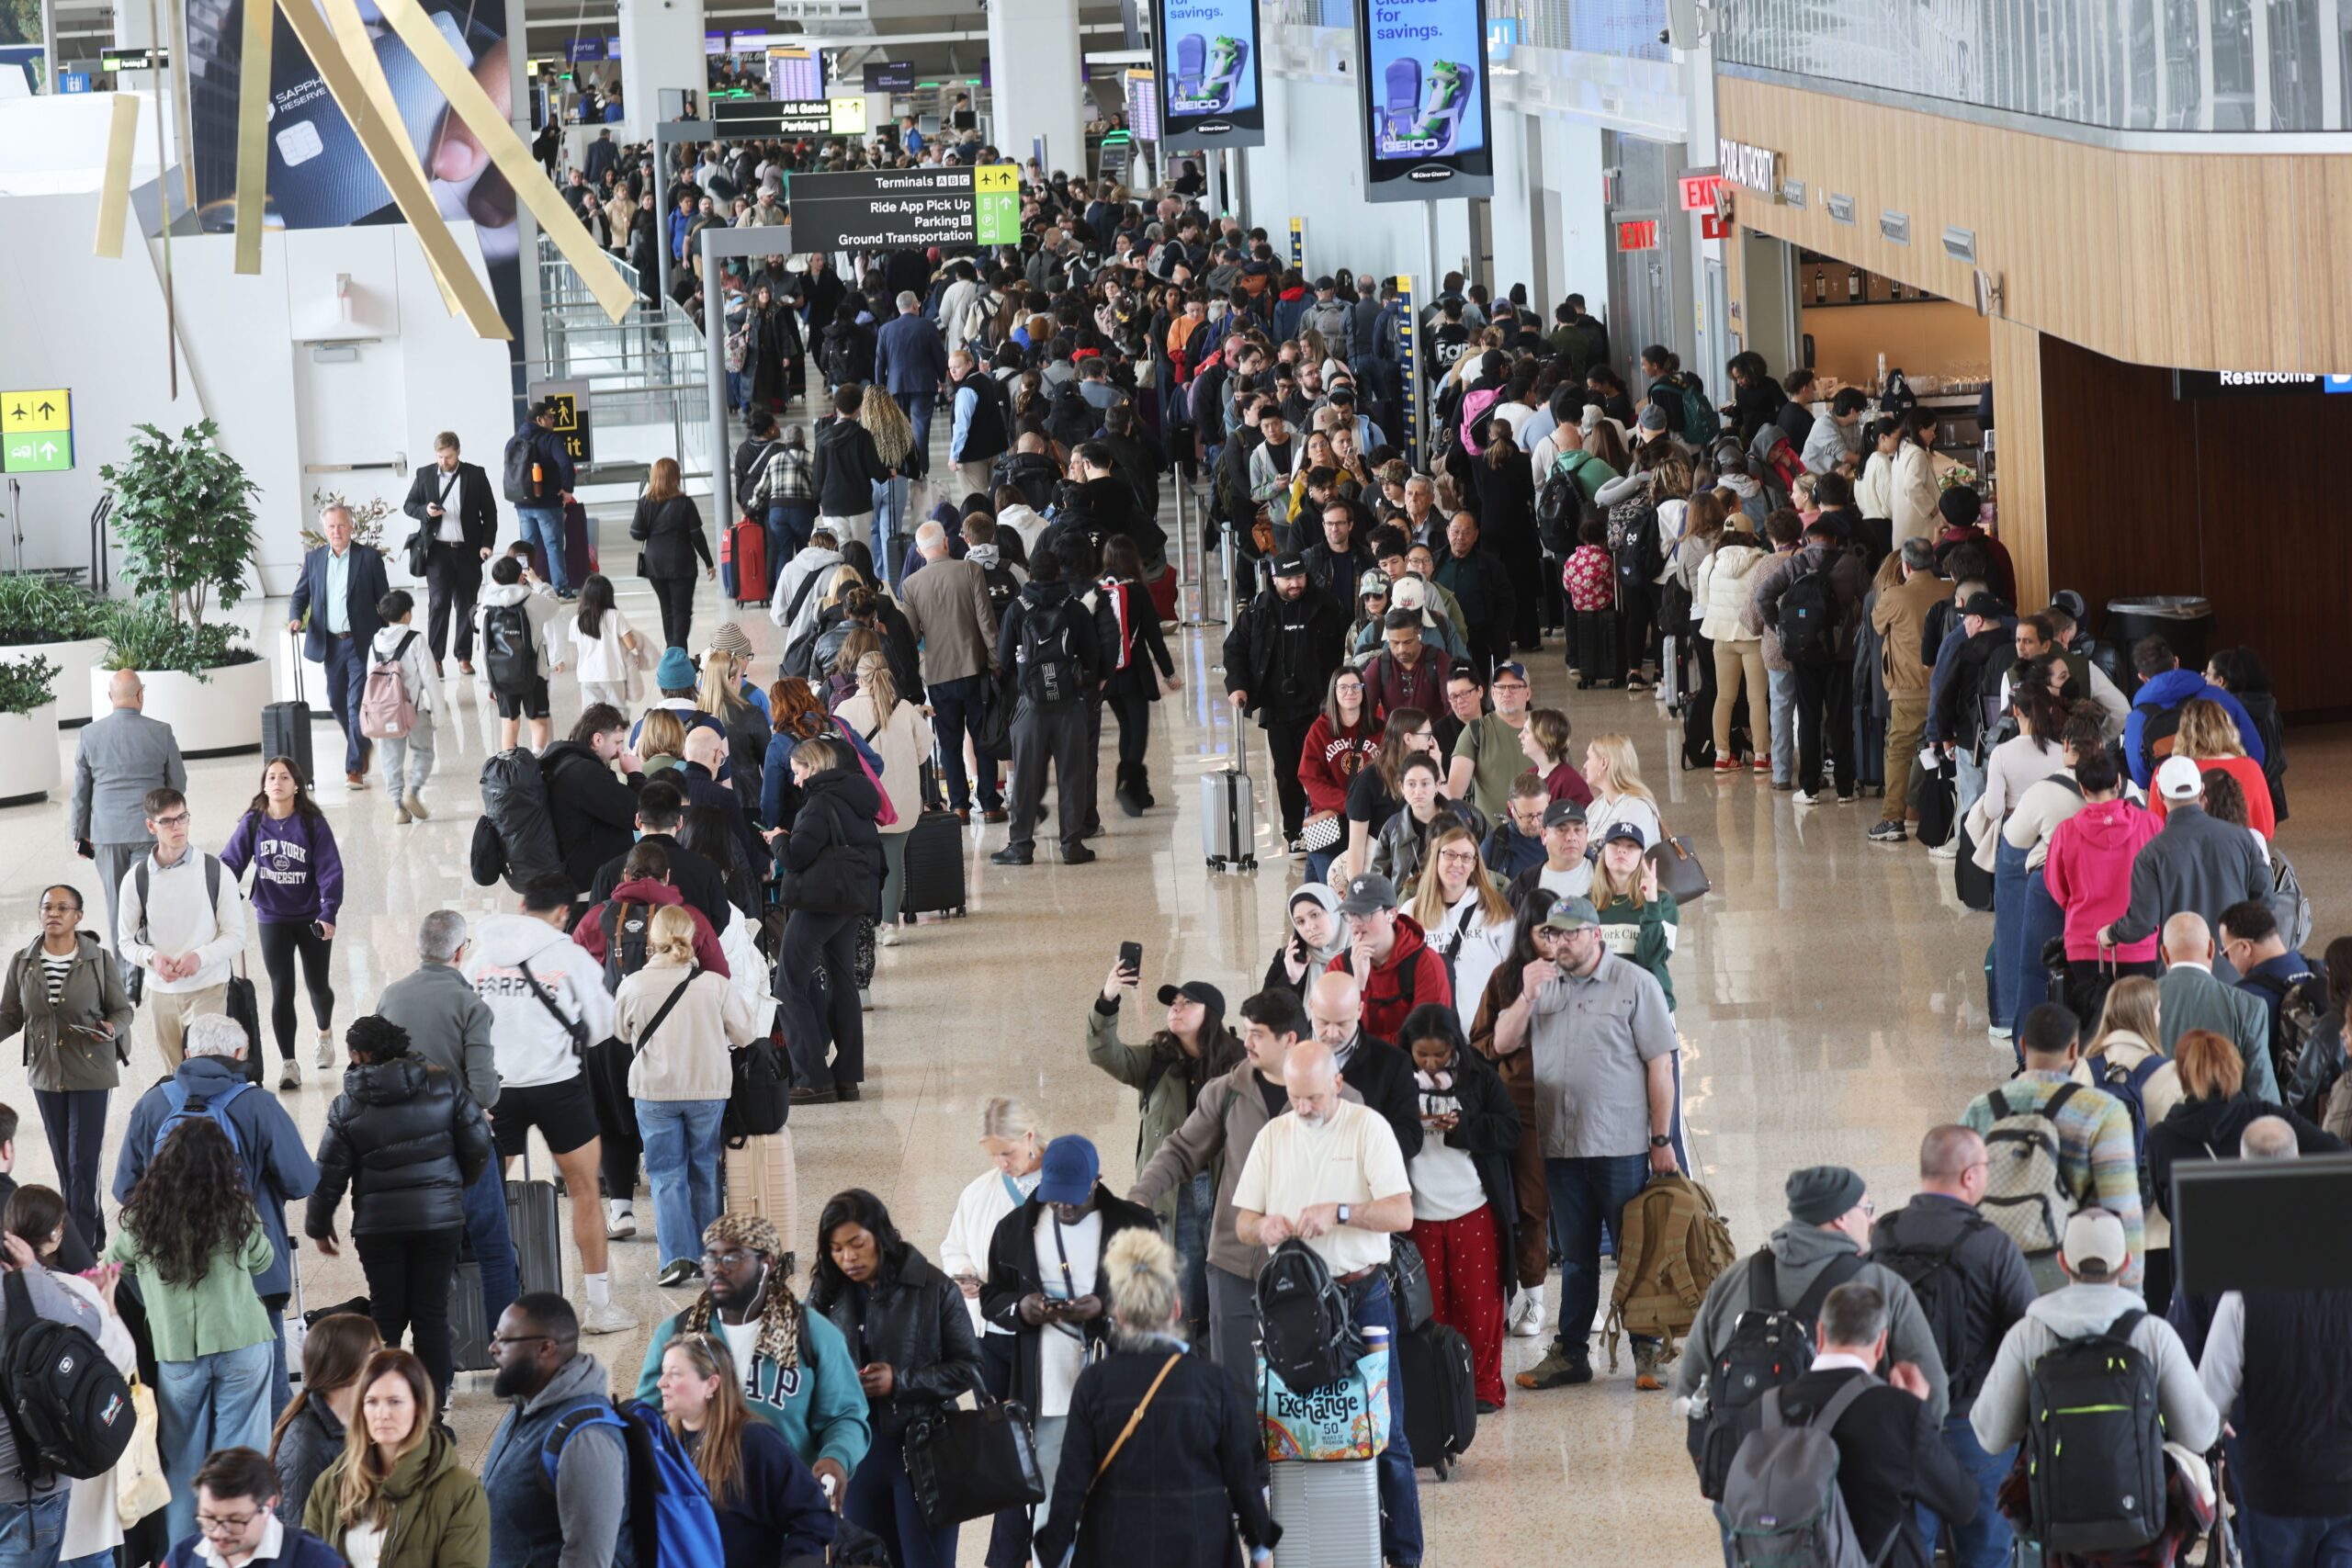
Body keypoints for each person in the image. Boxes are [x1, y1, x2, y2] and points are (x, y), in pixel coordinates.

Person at [1230, 1040, 1422, 1567]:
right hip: (1293, 1306)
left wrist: (1340, 1212)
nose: (1305, 1108)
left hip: (1360, 1295)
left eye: (1314, 1097)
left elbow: (1401, 1214)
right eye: (1295, 1098)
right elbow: (1243, 1221)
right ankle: (1311, 1549)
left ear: (1337, 1083)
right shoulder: (1274, 1136)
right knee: (1292, 1427)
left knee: (1385, 1429)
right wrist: (1262, 1225)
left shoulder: (1368, 1128)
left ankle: (1405, 1556)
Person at [1496, 897, 1683, 1391]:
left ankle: (1647, 1349)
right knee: (1576, 1257)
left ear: (1596, 934)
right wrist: (1525, 998)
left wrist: (1661, 1139)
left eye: (1571, 933)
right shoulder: (1539, 984)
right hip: (1560, 1146)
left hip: (1620, 1146)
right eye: (1554, 934)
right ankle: (1572, 1353)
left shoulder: (1635, 984)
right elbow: (1501, 1042)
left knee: (1635, 1251)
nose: (1561, 942)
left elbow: (1660, 1067)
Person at [1030, 1227, 1280, 1568]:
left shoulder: (1094, 1385)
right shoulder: (1212, 1383)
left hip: (1113, 1547)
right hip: (1200, 1546)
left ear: (1118, 1315)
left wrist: (1052, 1551)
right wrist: (1261, 1548)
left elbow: (1071, 1484)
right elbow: (1241, 1479)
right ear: (1176, 1308)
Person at [461, 875, 634, 1337]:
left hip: (495, 1091)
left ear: (521, 905)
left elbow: (464, 1017)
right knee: (584, 1190)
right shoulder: (568, 955)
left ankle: (485, 1311)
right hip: (559, 1086)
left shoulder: (481, 955)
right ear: (564, 913)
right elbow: (602, 1027)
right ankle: (599, 1307)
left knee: (485, 1194)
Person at [106, 1115, 281, 1543]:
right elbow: (263, 1260)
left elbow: (112, 1263)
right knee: (240, 1461)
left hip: (177, 1353)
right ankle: (240, 1551)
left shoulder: (143, 1217)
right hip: (242, 1342)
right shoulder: (236, 1208)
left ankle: (186, 1554)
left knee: (183, 1465)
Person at [1868, 1127, 2037, 1568]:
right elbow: (2029, 1337)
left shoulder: (1883, 1238)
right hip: (1977, 1426)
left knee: (1907, 1552)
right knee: (1986, 1552)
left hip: (1900, 1420)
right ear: (1968, 1177)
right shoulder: (1992, 1246)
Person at [304, 1014, 492, 1409]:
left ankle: (380, 1402)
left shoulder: (348, 1104)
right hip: (439, 1221)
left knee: (386, 1314)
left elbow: (330, 1172)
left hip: (378, 1227)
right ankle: (432, 1405)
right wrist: (455, 1186)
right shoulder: (441, 1081)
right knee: (431, 1313)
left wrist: (319, 1223)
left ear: (361, 1054)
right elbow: (478, 1142)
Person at [980, 1135, 1157, 1533]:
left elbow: (1160, 1299)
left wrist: (1106, 1306)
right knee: (1053, 1504)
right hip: (1050, 1392)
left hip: (1121, 1389)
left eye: (1073, 1198)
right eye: (1054, 1197)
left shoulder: (1136, 1226)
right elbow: (993, 1296)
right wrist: (1022, 1309)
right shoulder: (1014, 1230)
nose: (1062, 1207)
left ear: (1097, 1181)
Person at [1970, 1207, 2219, 1483]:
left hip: (2054, 1516)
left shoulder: (2027, 1335)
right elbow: (2199, 1434)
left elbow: (1991, 1436)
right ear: (2126, 1263)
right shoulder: (2154, 1335)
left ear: (2063, 1263)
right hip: (2138, 1515)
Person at [636, 1211, 871, 1495]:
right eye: (710, 1257)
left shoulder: (813, 1334)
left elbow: (845, 1416)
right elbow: (645, 1417)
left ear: (766, 1264)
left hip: (783, 1502)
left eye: (733, 1258)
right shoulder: (678, 1333)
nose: (718, 1268)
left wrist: (836, 1458)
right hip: (697, 1505)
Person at [808, 1190, 983, 1568]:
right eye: (836, 1249)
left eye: (857, 1244)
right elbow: (806, 1362)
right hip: (859, 1451)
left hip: (924, 1450)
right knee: (867, 1560)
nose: (848, 1258)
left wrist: (899, 1381)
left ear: (881, 1237)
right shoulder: (828, 1292)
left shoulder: (934, 1288)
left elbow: (970, 1367)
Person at [1759, 1281, 1979, 1568]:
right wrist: (1918, 1412)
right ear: (1880, 1343)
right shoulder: (1900, 1413)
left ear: (1821, 1334)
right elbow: (1963, 1503)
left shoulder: (1762, 1411)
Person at [373, 911, 514, 1333]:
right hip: (461, 1145)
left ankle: (441, 1369)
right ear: (460, 951)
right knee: (493, 1247)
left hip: (404, 1150)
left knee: (429, 1255)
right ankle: (507, 1351)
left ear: (420, 949)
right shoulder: (471, 1004)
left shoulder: (389, 997)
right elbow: (486, 1092)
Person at [1959, 1002, 2146, 1292]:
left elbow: (1960, 1197)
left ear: (2022, 1044)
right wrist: (2132, 1291)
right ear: (2075, 1051)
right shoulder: (2102, 1111)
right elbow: (2121, 1205)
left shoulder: (1981, 1110)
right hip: (2071, 1273)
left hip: (1991, 1269)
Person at [616, 906, 755, 1286]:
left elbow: (617, 1032)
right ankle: (714, 1259)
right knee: (706, 1168)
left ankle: (676, 1259)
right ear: (692, 937)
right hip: (708, 1089)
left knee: (665, 1174)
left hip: (654, 1092)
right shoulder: (714, 985)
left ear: (652, 939)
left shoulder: (632, 985)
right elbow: (745, 1034)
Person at [1396, 1005, 1520, 1413]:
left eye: (1441, 1054)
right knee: (1431, 1307)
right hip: (1418, 1212)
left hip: (1474, 1206)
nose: (1431, 1064)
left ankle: (1483, 1388)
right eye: (1422, 1055)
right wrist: (1411, 1124)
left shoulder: (1480, 1075)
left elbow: (1510, 1129)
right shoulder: (1396, 1083)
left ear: (1455, 1047)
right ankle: (1439, 1391)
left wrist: (1462, 1126)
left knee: (1479, 1304)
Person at [2, 1182, 130, 1568]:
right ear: (56, 1234)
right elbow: (117, 1356)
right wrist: (106, 1301)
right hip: (36, 1480)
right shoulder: (68, 1294)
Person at [0, 885, 131, 1252]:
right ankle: (91, 1233)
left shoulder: (98, 959)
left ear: (79, 915)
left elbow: (123, 1010)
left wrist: (111, 1028)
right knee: (65, 1162)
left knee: (83, 1162)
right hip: (46, 1073)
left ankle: (82, 1247)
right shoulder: (22, 961)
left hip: (92, 1070)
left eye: (62, 907)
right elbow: (10, 1015)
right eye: (47, 907)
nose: (53, 913)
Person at [654, 1333, 839, 1566]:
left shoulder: (754, 1440)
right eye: (663, 1372)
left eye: (675, 1373)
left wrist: (799, 1560)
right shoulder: (661, 1443)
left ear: (711, 1384)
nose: (662, 1382)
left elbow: (813, 1514)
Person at [300, 1348, 489, 1568]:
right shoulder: (331, 1483)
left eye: (395, 1402)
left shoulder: (462, 1490)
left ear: (418, 1406)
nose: (382, 1414)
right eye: (372, 1402)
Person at [220, 758, 344, 1089]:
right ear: (264, 785)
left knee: (318, 986)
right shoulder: (254, 821)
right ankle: (289, 1063)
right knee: (281, 989)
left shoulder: (313, 822)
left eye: (284, 776)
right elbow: (230, 862)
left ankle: (324, 1032)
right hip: (272, 915)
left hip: (311, 916)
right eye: (271, 777)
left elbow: (331, 870)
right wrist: (218, 894)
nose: (277, 782)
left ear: (296, 784)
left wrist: (328, 912)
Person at [772, 738, 884, 1104]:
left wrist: (777, 840)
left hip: (819, 901)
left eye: (798, 770)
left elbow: (797, 857)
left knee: (788, 985)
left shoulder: (819, 803)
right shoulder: (857, 795)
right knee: (842, 980)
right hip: (851, 897)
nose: (795, 780)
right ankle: (847, 1076)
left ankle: (813, 1077)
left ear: (814, 767)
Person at [481, 1293, 629, 1568]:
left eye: (503, 1340)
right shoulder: (526, 1408)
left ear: (546, 1348)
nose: (492, 1348)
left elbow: (588, 1559)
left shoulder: (588, 1439)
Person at [2144, 1029, 2345, 1232]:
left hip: (2193, 1259)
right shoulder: (2271, 1118)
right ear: (2235, 1067)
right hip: (2267, 1253)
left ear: (2182, 1076)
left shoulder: (2160, 1140)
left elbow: (2168, 1211)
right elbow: (2340, 1155)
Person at [2071, 980, 2185, 1311]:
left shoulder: (2083, 1070)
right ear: (2150, 1015)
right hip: (2155, 1230)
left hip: (2096, 1225)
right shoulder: (2171, 1075)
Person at [1223, 552, 1350, 851]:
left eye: (1300, 577)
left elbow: (1344, 652)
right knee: (1287, 773)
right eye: (1288, 579)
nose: (1295, 584)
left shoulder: (1327, 607)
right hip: (1277, 708)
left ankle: (1326, 830)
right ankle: (1295, 834)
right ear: (1274, 579)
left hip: (1319, 708)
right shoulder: (1258, 610)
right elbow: (1234, 648)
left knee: (1321, 771)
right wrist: (1237, 685)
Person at [70, 670, 188, 988]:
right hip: (150, 832)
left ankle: (126, 978)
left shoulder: (89, 735)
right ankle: (154, 969)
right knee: (150, 901)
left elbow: (81, 791)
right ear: (140, 695)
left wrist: (78, 834)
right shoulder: (161, 732)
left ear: (111, 698)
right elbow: (178, 784)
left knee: (117, 906)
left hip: (106, 836)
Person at [991, 539, 1103, 868]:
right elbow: (1093, 657)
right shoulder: (1075, 608)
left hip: (1031, 706)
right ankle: (1072, 845)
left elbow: (1003, 660)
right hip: (1069, 704)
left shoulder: (1016, 608)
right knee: (1073, 775)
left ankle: (1021, 846)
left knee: (1025, 776)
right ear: (1058, 573)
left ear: (1030, 574)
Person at [117, 786, 249, 1065]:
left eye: (182, 817)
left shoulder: (215, 871)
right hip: (160, 992)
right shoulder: (136, 879)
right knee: (176, 1075)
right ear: (151, 825)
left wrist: (200, 957)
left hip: (209, 986)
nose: (177, 826)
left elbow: (236, 935)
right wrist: (152, 958)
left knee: (209, 1069)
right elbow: (126, 942)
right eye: (167, 821)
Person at [2098, 757, 2271, 964]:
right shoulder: (2242, 839)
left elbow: (2142, 922)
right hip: (2235, 967)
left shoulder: (2151, 855)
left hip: (2179, 973)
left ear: (2160, 794)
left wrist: (2111, 934)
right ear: (2201, 791)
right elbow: (2265, 899)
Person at [2041, 737, 2162, 1021]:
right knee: (2141, 1027)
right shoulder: (2151, 825)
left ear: (2082, 789)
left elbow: (2058, 889)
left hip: (2085, 944)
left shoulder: (2066, 832)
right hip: (2139, 943)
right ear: (2119, 783)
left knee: (2092, 1029)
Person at [899, 520, 1004, 824]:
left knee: (949, 741)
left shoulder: (912, 585)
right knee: (982, 735)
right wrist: (995, 663)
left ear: (920, 551)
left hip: (939, 675)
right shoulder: (970, 570)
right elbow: (987, 624)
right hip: (975, 669)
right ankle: (989, 804)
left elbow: (910, 634)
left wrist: (923, 662)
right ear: (946, 543)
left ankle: (958, 806)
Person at [287, 504, 392, 787]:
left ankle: (353, 768)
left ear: (351, 527)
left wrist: (391, 633)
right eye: (331, 527)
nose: (336, 531)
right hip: (330, 644)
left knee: (356, 702)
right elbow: (300, 595)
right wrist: (296, 618)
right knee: (336, 702)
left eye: (341, 526)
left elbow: (384, 599)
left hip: (360, 642)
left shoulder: (368, 558)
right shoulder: (315, 559)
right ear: (325, 530)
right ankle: (360, 743)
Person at [833, 652, 935, 942]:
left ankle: (863, 924)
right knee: (894, 861)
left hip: (860, 804)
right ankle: (889, 926)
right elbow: (924, 749)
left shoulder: (844, 711)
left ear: (859, 678)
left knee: (862, 864)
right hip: (900, 801)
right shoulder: (903, 708)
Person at [267, 1313, 383, 1527]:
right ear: (348, 1363)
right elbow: (306, 1538)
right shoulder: (307, 1443)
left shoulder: (355, 1418)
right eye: (374, 1353)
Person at [401, 431, 498, 675]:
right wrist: (426, 510)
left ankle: (463, 656)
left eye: (448, 457)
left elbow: (490, 513)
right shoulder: (424, 475)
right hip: (438, 552)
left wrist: (487, 544)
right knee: (439, 604)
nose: (443, 462)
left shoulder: (475, 475)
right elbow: (409, 505)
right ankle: (435, 659)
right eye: (440, 457)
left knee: (466, 604)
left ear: (458, 452)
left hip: (467, 551)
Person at [2157, 910, 2278, 1102]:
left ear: (2164, 953)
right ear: (2212, 948)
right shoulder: (2248, 1006)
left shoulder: (2138, 1002)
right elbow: (2263, 1094)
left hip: (2156, 1128)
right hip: (2227, 1129)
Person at [2122, 635, 2265, 790]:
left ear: (2142, 677)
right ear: (2176, 662)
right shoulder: (2218, 697)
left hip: (2174, 800)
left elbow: (2141, 778)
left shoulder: (2136, 718)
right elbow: (2256, 752)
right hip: (2223, 790)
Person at [163, 1447, 345, 1568]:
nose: (219, 1533)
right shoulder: (182, 1558)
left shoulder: (314, 1559)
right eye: (209, 1518)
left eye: (234, 1521)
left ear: (268, 1507)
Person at [1329, 873, 1454, 1048]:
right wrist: (1358, 985)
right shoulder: (1339, 967)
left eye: (1365, 913)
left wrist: (1364, 1045)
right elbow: (1335, 1039)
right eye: (1351, 914)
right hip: (1353, 1071)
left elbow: (1425, 1043)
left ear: (1392, 915)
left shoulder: (1426, 964)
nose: (1356, 923)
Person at [1408, 825, 1515, 1032]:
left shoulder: (1497, 912)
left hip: (1483, 1036)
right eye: (1450, 854)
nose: (1458, 863)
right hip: (1430, 1040)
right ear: (1436, 858)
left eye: (1467, 857)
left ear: (1475, 864)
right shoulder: (1411, 911)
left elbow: (1513, 977)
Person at [542, 706, 650, 897]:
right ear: (597, 739)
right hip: (589, 883)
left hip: (574, 869)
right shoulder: (585, 774)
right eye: (617, 742)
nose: (620, 751)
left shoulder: (565, 760)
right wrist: (635, 775)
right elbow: (637, 812)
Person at [472, 556, 567, 753]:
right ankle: (538, 759)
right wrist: (537, 582)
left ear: (495, 580)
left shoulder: (486, 605)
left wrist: (489, 681)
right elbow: (555, 605)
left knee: (509, 723)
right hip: (534, 671)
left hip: (501, 672)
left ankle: (511, 765)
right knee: (538, 721)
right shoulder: (532, 599)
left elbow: (483, 646)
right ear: (521, 577)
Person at [2149, 698, 2276, 839]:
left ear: (2182, 732)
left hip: (2184, 856)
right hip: (2240, 854)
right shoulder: (2251, 768)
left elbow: (2154, 830)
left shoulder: (2166, 771)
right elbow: (2266, 830)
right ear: (2227, 728)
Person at [367, 590, 440, 822]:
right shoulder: (415, 639)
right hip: (414, 710)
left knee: (390, 759)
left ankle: (398, 806)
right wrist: (438, 711)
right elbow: (430, 678)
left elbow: (370, 678)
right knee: (424, 751)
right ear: (407, 615)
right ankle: (414, 791)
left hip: (385, 713)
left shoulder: (375, 642)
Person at [630, 457, 716, 651]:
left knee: (667, 610)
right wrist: (709, 563)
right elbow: (697, 536)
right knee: (682, 611)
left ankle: (673, 653)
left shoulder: (645, 502)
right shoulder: (685, 503)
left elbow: (636, 533)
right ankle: (678, 654)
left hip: (654, 566)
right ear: (675, 477)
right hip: (682, 565)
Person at [508, 400, 580, 597]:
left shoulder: (513, 441)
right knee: (553, 545)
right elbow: (565, 463)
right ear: (539, 419)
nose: (553, 420)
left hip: (522, 504)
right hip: (547, 503)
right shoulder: (550, 439)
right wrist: (567, 489)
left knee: (525, 548)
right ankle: (560, 587)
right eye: (550, 416)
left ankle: (524, 585)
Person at [876, 290, 949, 462]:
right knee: (921, 428)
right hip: (923, 385)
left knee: (898, 427)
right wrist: (943, 379)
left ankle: (902, 466)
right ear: (915, 305)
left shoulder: (885, 330)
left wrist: (880, 388)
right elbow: (939, 356)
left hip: (895, 385)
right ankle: (920, 468)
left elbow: (880, 362)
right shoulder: (928, 326)